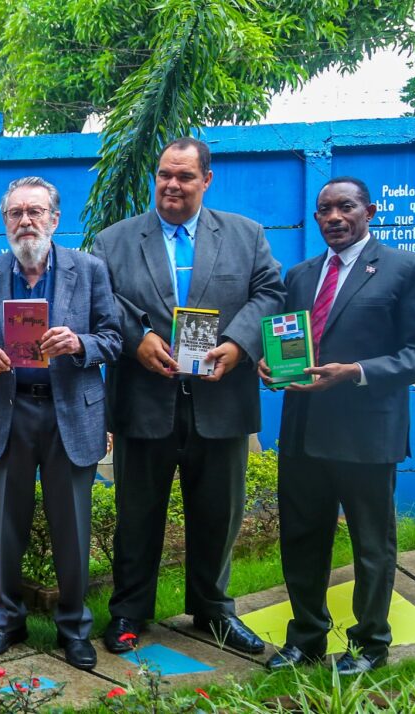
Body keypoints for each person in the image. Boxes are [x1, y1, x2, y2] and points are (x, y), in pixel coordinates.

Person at [92, 138, 284, 654]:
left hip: (220, 400)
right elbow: (99, 298)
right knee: (137, 515)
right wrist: (137, 339)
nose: (171, 185)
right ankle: (129, 612)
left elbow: (270, 292)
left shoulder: (246, 236)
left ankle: (213, 612)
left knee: (218, 514)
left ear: (206, 180)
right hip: (143, 399)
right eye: (164, 175)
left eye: (184, 176)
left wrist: (238, 344)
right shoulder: (115, 240)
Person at [260, 177, 415, 675]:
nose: (334, 217)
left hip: (366, 434)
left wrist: (357, 373)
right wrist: (269, 364)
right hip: (302, 433)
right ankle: (306, 639)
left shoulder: (408, 270)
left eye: (346, 207)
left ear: (370, 211)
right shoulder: (299, 275)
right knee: (301, 539)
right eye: (325, 210)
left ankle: (369, 644)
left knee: (370, 544)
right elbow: (288, 342)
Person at [0, 177, 122, 665]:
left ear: (55, 218)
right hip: (10, 410)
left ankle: (73, 628)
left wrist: (79, 343)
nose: (25, 221)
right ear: (5, 220)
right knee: (4, 525)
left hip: (69, 409)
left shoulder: (89, 269)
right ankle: (6, 620)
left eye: (35, 211)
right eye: (15, 213)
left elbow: (114, 338)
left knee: (71, 525)